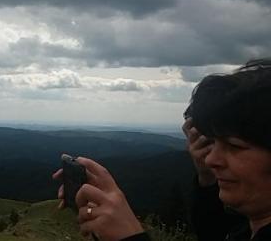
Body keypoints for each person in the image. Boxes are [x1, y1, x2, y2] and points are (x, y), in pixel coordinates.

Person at [53, 59, 271, 241]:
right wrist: (207, 180)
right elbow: (215, 234)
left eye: (234, 146)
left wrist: (129, 236)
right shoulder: (248, 227)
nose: (212, 159)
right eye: (212, 142)